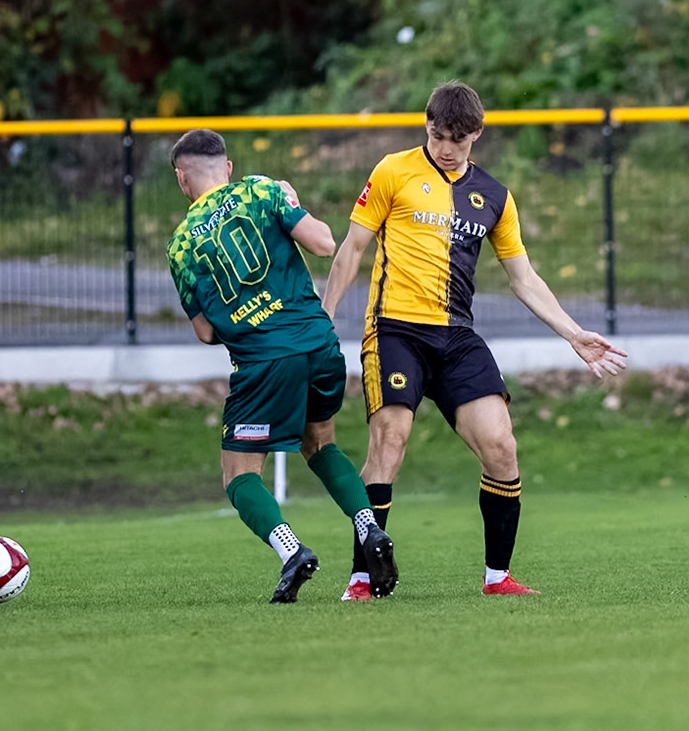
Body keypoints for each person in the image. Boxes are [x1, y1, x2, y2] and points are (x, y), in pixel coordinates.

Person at [320, 81, 628, 600]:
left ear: (477, 136)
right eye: (438, 136)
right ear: (427, 125)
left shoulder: (496, 196)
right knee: (389, 440)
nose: (445, 148)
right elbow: (352, 249)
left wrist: (573, 334)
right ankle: (361, 578)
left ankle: (497, 577)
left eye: (457, 140)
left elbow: (523, 277)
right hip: (394, 329)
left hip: (457, 337)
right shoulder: (392, 171)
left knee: (502, 447)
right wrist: (324, 321)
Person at [165, 128, 399, 604]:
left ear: (181, 178)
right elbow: (325, 243)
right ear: (227, 168)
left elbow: (206, 333)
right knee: (320, 443)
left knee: (239, 472)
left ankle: (291, 551)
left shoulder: (181, 246)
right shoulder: (263, 189)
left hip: (265, 361)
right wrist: (291, 198)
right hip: (318, 343)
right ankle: (369, 527)